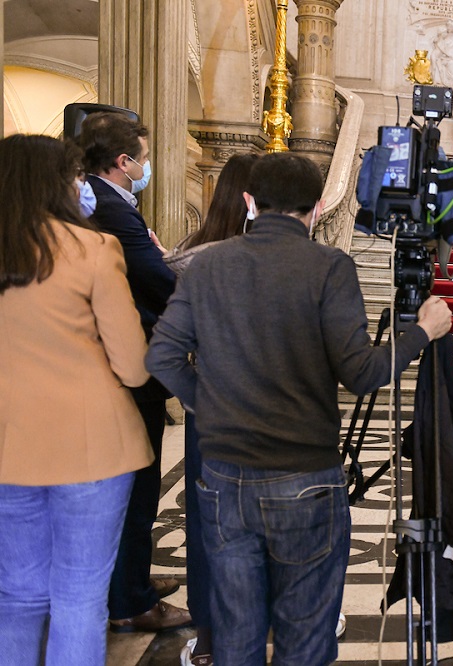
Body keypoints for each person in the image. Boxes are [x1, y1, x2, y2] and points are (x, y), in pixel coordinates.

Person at [146, 152, 452, 665]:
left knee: (236, 636)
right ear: (315, 208)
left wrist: (213, 406)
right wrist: (421, 332)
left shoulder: (209, 264)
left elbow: (162, 355)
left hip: (224, 477)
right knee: (305, 639)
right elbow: (361, 373)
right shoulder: (329, 266)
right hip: (305, 476)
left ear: (249, 201)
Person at [0, 134, 153, 664]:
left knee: (17, 596)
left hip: (7, 448)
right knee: (80, 598)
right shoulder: (93, 249)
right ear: (60, 183)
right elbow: (133, 366)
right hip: (92, 447)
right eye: (76, 178)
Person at [76, 110, 191, 632]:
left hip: (116, 359)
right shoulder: (108, 207)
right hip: (127, 362)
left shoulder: (106, 203)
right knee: (138, 482)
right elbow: (147, 272)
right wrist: (192, 302)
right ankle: (131, 599)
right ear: (124, 163)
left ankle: (134, 578)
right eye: (143, 159)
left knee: (135, 482)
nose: (146, 168)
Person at [164, 152, 259, 666]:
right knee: (260, 523)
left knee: (208, 522)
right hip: (264, 414)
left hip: (210, 414)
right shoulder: (262, 258)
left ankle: (210, 636)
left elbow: (166, 351)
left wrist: (198, 398)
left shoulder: (189, 254)